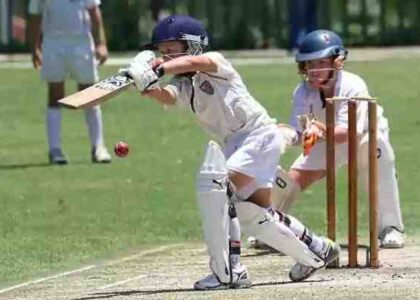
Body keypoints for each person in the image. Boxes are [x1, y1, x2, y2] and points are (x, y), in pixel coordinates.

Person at [122, 15, 340, 290]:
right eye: (161, 51)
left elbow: (192, 63)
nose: (164, 55)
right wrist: (146, 86)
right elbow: (167, 95)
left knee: (216, 188)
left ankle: (230, 271)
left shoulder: (215, 61)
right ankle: (318, 249)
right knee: (253, 213)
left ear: (192, 46)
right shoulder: (184, 84)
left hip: (257, 135)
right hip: (237, 143)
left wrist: (158, 67)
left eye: (170, 49)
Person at [271, 29, 405, 248]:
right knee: (291, 179)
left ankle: (391, 228)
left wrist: (317, 129)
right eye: (309, 64)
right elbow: (299, 132)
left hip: (365, 136)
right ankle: (270, 226)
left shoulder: (353, 85)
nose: (314, 70)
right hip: (328, 139)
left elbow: (350, 133)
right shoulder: (303, 92)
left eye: (321, 62)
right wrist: (284, 136)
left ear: (337, 62)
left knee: (377, 157)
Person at [28, 0, 111, 164]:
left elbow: (94, 12)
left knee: (89, 94)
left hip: (81, 42)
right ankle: (55, 149)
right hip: (53, 43)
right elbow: (35, 16)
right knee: (55, 95)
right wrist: (35, 47)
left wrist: (101, 43)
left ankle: (98, 147)